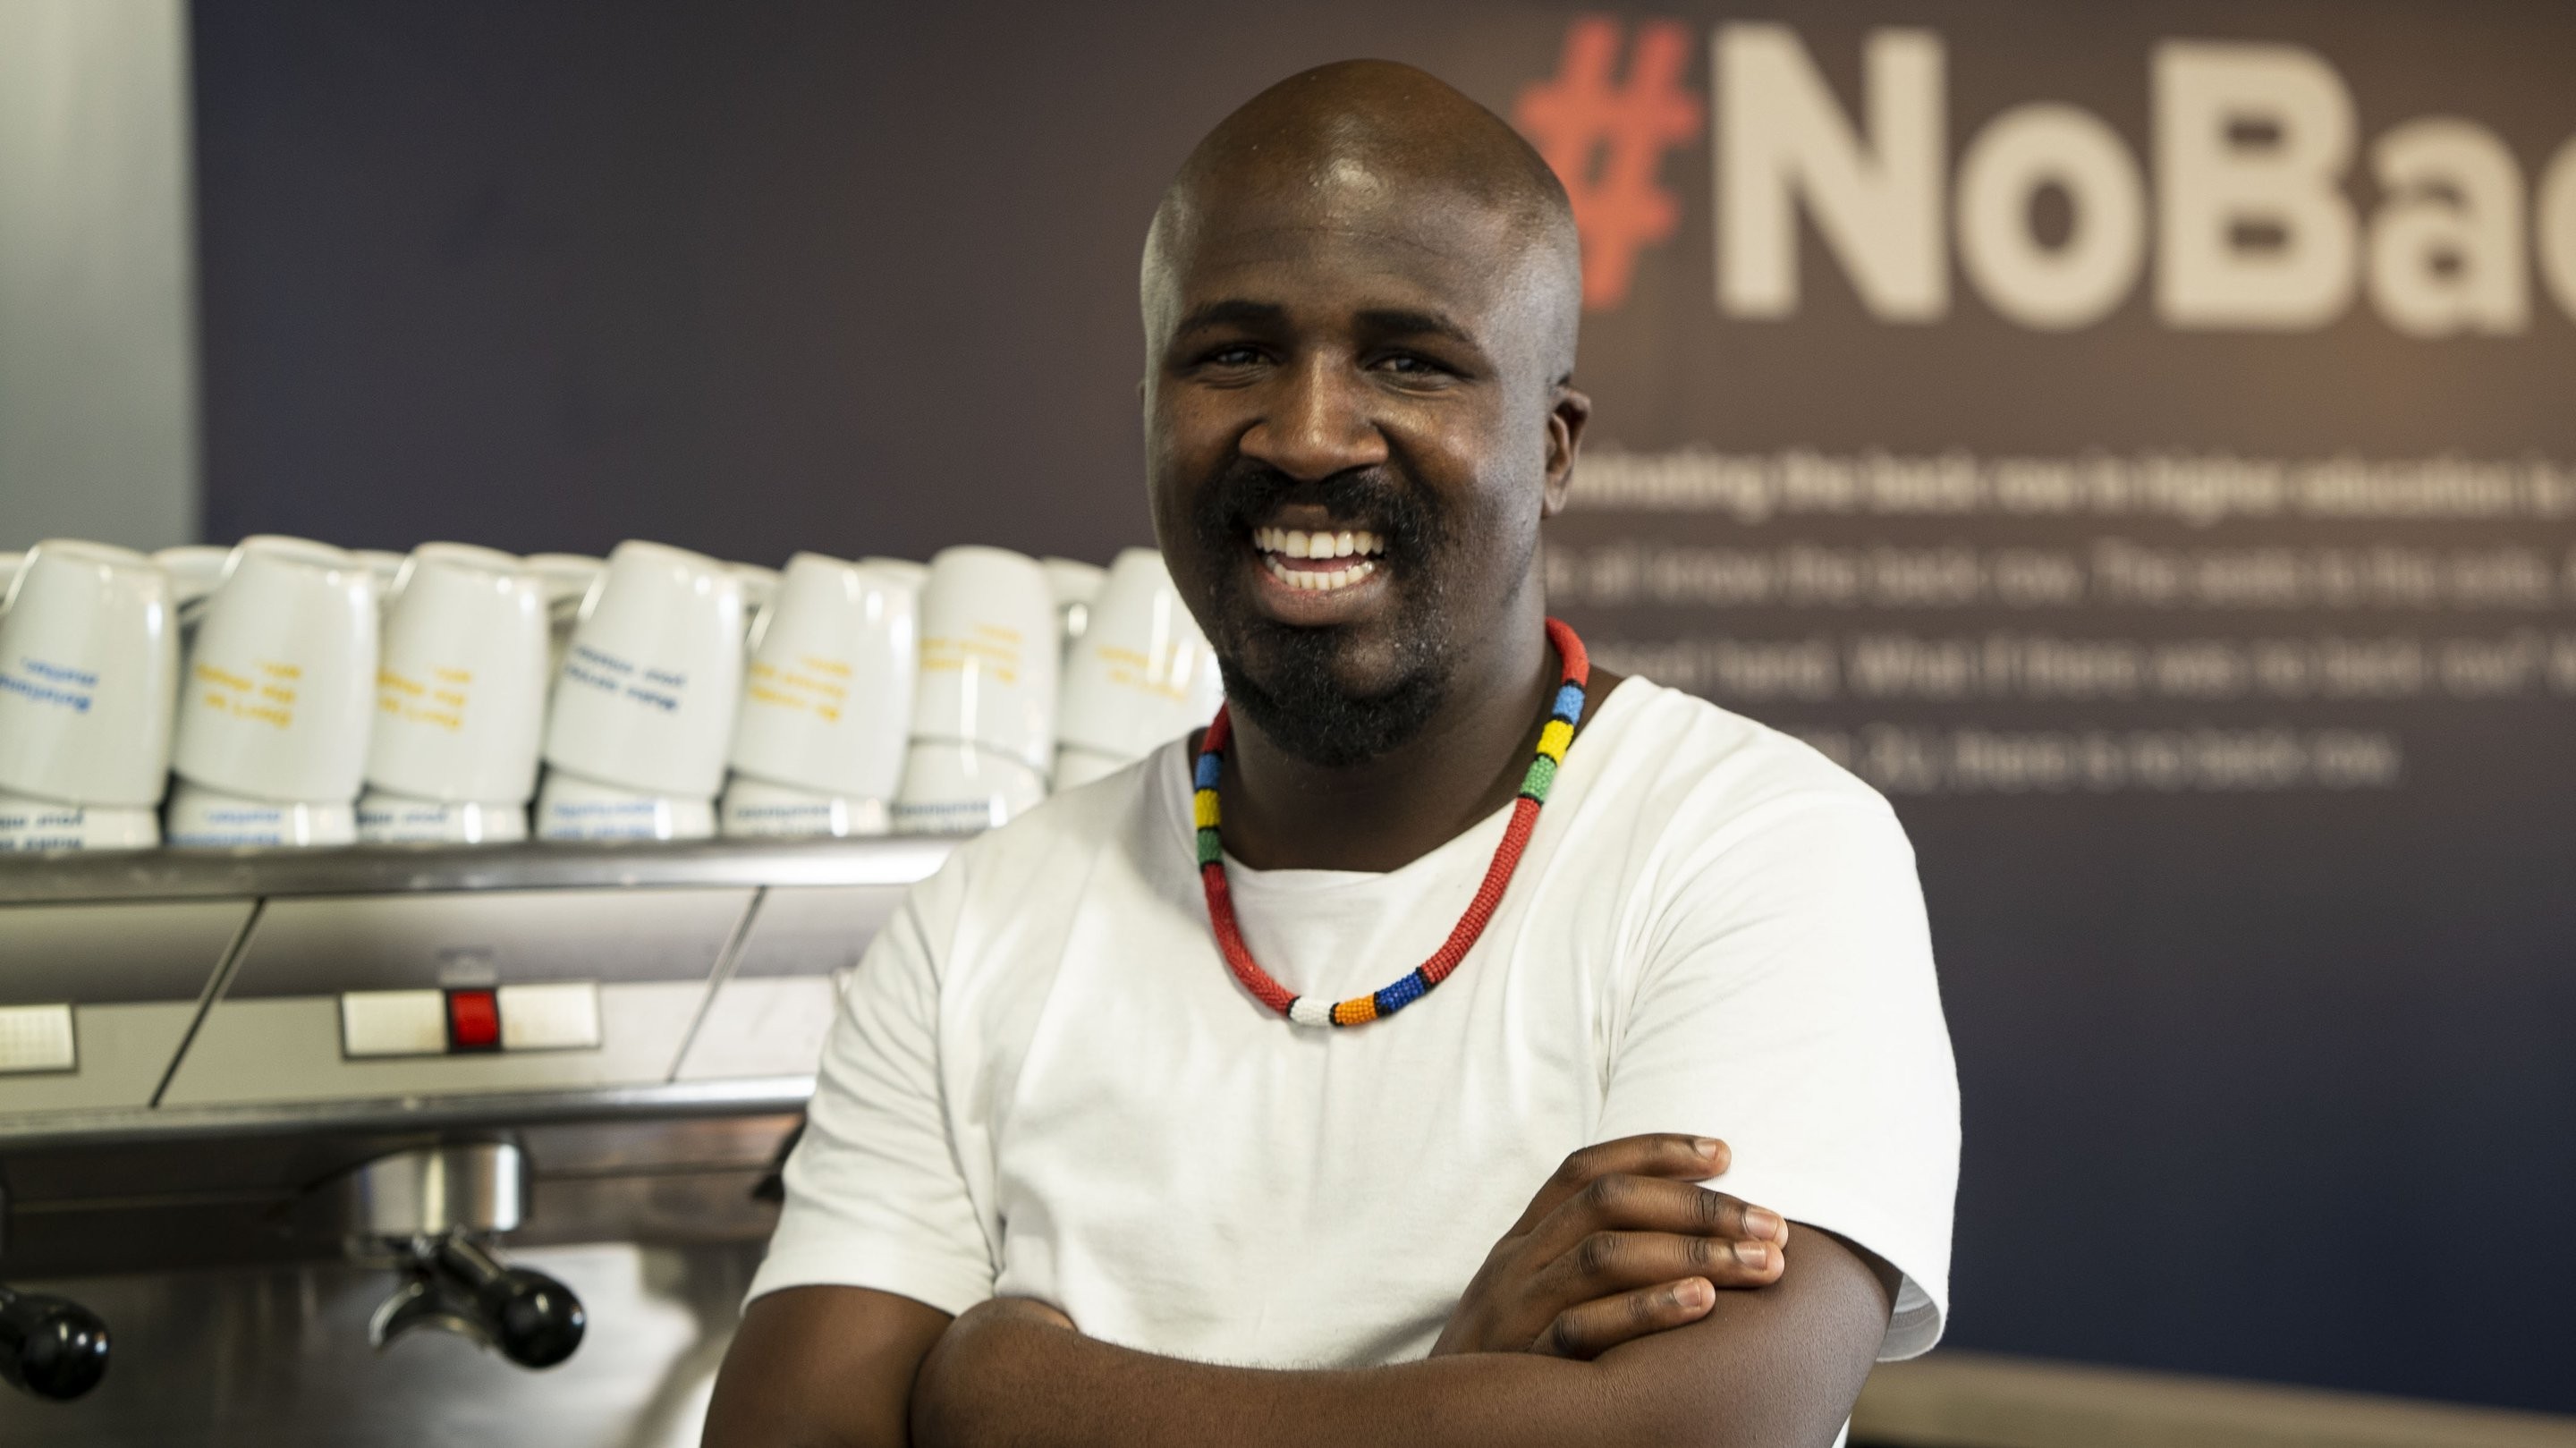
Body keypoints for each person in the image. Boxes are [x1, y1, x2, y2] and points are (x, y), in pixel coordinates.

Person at [704, 58, 1956, 1448]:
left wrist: (1006, 1394)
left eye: (1409, 358)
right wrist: (1456, 1382)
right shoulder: (980, 922)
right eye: (1233, 350)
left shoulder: (1753, 847)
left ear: (1550, 447)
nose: (1306, 434)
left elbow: (1689, 1433)